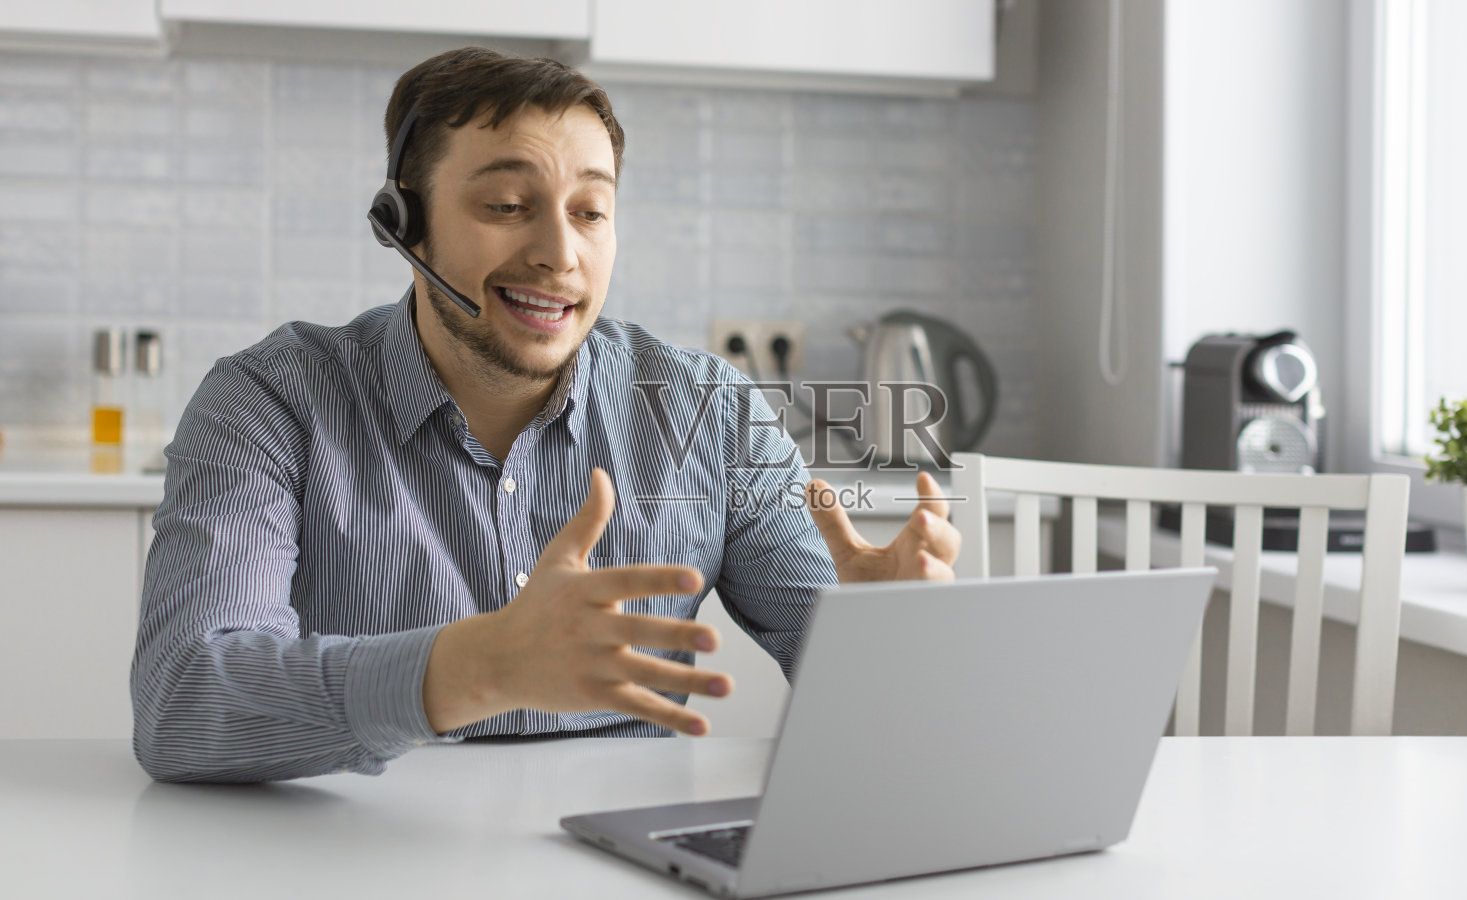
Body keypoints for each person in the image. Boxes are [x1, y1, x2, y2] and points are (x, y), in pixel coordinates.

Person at [130, 48, 960, 783]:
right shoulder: (269, 401)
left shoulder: (711, 415)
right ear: (403, 223)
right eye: (506, 206)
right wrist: (472, 668)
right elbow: (184, 704)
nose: (561, 255)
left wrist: (891, 647)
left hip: (627, 864)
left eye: (590, 212)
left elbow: (889, 731)